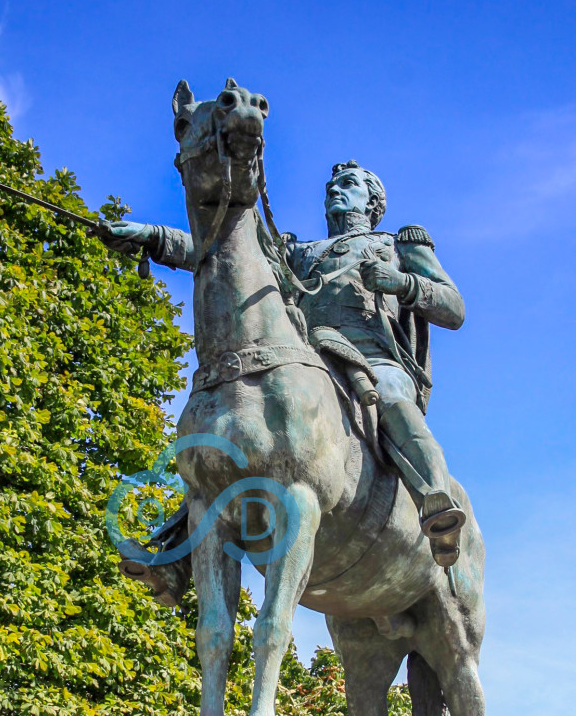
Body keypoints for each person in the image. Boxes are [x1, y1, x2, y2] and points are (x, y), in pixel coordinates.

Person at [100, 160, 466, 603]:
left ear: (372, 201)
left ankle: (437, 502)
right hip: (305, 359)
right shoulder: (295, 251)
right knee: (225, 430)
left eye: (348, 185)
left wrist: (403, 283)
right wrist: (155, 237)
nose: (335, 190)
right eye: (331, 184)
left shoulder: (395, 244)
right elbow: (221, 249)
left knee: (391, 398)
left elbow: (452, 307)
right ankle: (179, 552)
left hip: (371, 358)